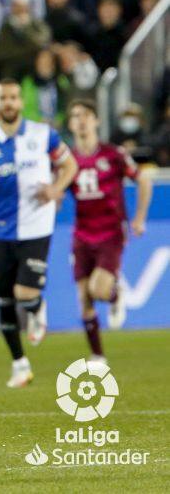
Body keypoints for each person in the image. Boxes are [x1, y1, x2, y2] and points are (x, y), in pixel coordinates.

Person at [0, 79, 78, 388]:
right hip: (1, 229)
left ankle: (37, 307)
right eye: (2, 98)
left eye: (13, 97)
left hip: (37, 226)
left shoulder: (42, 134)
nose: (8, 103)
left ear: (20, 102)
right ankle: (20, 365)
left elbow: (70, 166)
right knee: (2, 298)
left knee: (24, 293)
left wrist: (56, 189)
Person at [66, 99, 153, 364]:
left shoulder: (112, 154)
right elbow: (57, 189)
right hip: (82, 233)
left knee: (98, 290)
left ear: (96, 121)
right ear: (70, 124)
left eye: (87, 115)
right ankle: (97, 355)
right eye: (76, 116)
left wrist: (138, 218)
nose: (81, 120)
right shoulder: (67, 160)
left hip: (110, 232)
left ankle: (115, 294)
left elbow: (143, 180)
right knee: (84, 297)